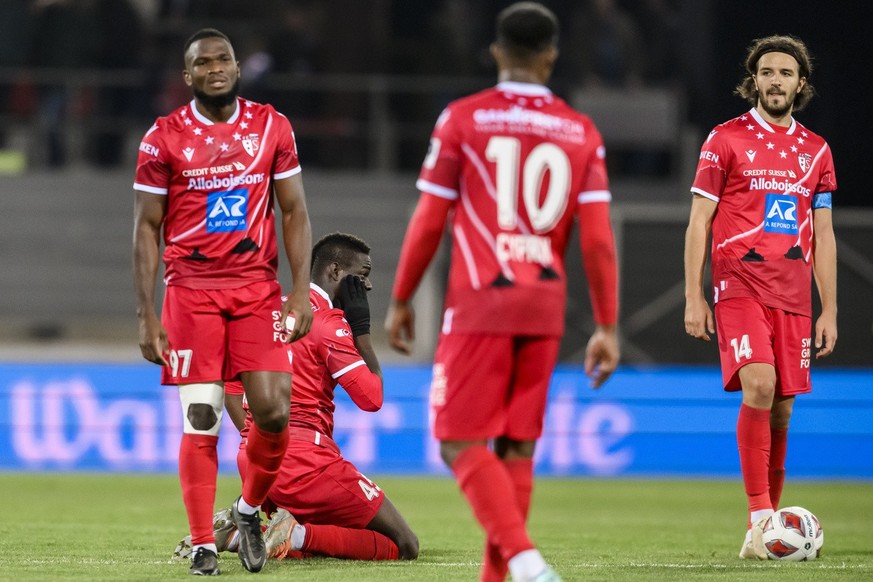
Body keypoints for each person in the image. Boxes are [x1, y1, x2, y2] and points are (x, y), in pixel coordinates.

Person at [384, 4, 620, 581]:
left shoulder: (464, 118)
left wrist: (401, 297)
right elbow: (596, 240)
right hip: (544, 306)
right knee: (516, 447)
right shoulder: (581, 132)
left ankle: (526, 562)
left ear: (495, 52)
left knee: (456, 440)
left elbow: (430, 218)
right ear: (550, 57)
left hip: (480, 301)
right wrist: (608, 325)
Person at [133, 28, 314, 576]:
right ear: (187, 76)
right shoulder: (162, 138)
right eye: (203, 63)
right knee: (204, 414)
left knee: (274, 412)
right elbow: (146, 228)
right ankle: (204, 545)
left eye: (224, 59)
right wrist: (146, 313)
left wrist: (301, 290)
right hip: (191, 290)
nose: (215, 68)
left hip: (257, 288)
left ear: (237, 67)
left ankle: (247, 510)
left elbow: (294, 211)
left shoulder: (271, 126)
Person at [173, 232, 419, 564]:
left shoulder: (265, 313)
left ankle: (235, 536)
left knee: (330, 532)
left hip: (257, 463)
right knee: (403, 545)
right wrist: (362, 330)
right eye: (361, 276)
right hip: (308, 464)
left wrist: (263, 444)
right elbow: (371, 399)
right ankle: (295, 533)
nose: (368, 286)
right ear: (334, 272)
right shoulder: (329, 323)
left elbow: (232, 393)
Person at [683, 35, 837, 559]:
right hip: (739, 286)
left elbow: (825, 233)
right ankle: (760, 518)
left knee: (782, 411)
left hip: (794, 296)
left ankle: (762, 537)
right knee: (760, 384)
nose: (776, 80)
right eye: (767, 72)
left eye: (786, 73)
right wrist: (693, 295)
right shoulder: (724, 139)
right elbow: (699, 222)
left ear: (801, 83)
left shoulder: (816, 149)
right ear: (754, 81)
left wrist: (830, 308)